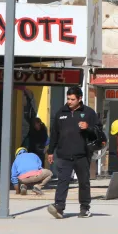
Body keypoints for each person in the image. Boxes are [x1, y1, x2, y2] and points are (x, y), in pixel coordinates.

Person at [47, 87, 98, 218]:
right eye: (68, 99)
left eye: (72, 99)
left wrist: (88, 128)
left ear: (80, 99)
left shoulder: (89, 113)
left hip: (82, 154)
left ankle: (85, 208)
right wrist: (50, 151)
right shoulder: (61, 113)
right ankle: (59, 207)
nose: (69, 101)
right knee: (62, 181)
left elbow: (98, 131)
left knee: (84, 182)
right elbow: (54, 134)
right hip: (64, 154)